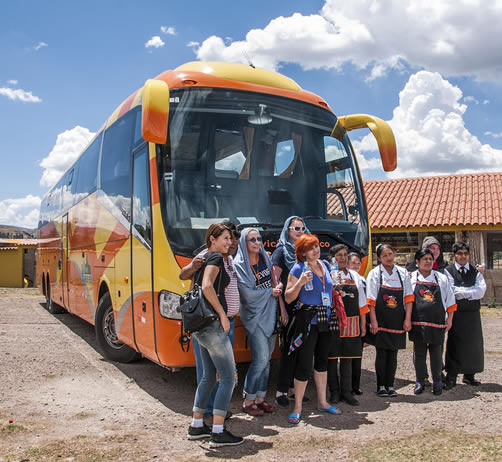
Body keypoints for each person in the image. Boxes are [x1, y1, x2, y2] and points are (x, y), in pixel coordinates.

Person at [187, 223, 243, 447]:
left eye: (230, 239)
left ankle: (197, 425)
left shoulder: (204, 258)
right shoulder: (215, 259)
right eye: (226, 239)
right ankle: (218, 431)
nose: (229, 243)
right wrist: (221, 314)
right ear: (213, 239)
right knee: (229, 378)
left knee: (208, 377)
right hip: (213, 326)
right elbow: (208, 286)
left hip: (201, 326)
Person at [285, 234, 341, 424]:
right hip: (308, 320)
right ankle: (298, 406)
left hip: (326, 319)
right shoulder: (298, 268)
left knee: (322, 362)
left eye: (316, 246)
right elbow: (288, 297)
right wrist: (300, 282)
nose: (315, 250)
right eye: (310, 248)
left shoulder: (325, 265)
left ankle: (323, 402)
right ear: (302, 252)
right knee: (304, 363)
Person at [234, 228, 281, 417]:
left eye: (258, 238)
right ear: (244, 243)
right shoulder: (239, 264)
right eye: (251, 239)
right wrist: (270, 293)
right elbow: (246, 295)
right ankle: (248, 400)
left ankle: (261, 398)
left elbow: (272, 280)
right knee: (260, 360)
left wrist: (276, 288)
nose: (256, 242)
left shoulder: (264, 257)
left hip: (271, 312)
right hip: (254, 317)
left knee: (267, 360)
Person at [366, 244, 414, 397]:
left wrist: (408, 319)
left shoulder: (403, 273)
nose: (388, 257)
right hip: (381, 320)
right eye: (385, 255)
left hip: (397, 320)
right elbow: (371, 301)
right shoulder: (374, 274)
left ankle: (390, 385)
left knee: (393, 353)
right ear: (379, 258)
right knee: (381, 353)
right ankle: (381, 385)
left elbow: (408, 299)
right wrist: (373, 322)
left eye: (390, 254)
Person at [271, 216, 309, 407]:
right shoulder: (280, 252)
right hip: (289, 308)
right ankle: (281, 391)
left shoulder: (305, 253)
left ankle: (295, 389)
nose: (300, 231)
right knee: (288, 350)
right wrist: (282, 310)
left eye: (302, 228)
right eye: (296, 228)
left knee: (301, 349)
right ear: (287, 230)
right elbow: (275, 282)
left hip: (305, 308)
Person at [409, 248, 456, 396]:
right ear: (417, 262)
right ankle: (420, 381)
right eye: (425, 259)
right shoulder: (410, 278)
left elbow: (450, 300)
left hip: (437, 323)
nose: (428, 261)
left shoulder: (441, 278)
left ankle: (437, 382)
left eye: (430, 258)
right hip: (417, 323)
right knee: (419, 354)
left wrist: (450, 319)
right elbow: (408, 301)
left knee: (436, 354)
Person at [327, 244, 368, 406]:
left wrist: (363, 325)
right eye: (339, 255)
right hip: (334, 323)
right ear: (332, 258)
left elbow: (362, 303)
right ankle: (334, 392)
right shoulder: (328, 275)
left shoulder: (355, 276)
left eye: (345, 255)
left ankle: (347, 392)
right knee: (331, 359)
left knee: (347, 359)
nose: (343, 258)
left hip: (352, 323)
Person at [443, 242, 487, 389]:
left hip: (472, 314)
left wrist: (464, 293)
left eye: (465, 254)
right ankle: (452, 376)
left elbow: (480, 291)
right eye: (460, 253)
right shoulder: (448, 271)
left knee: (473, 344)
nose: (463, 256)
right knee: (455, 344)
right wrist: (470, 292)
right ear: (454, 255)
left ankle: (470, 375)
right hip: (456, 314)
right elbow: (452, 291)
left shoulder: (476, 271)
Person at [347, 252, 366, 395]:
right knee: (346, 356)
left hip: (358, 320)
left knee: (357, 355)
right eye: (353, 263)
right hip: (345, 320)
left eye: (358, 263)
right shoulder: (343, 278)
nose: (356, 266)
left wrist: (363, 323)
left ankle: (356, 385)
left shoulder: (362, 279)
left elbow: (364, 305)